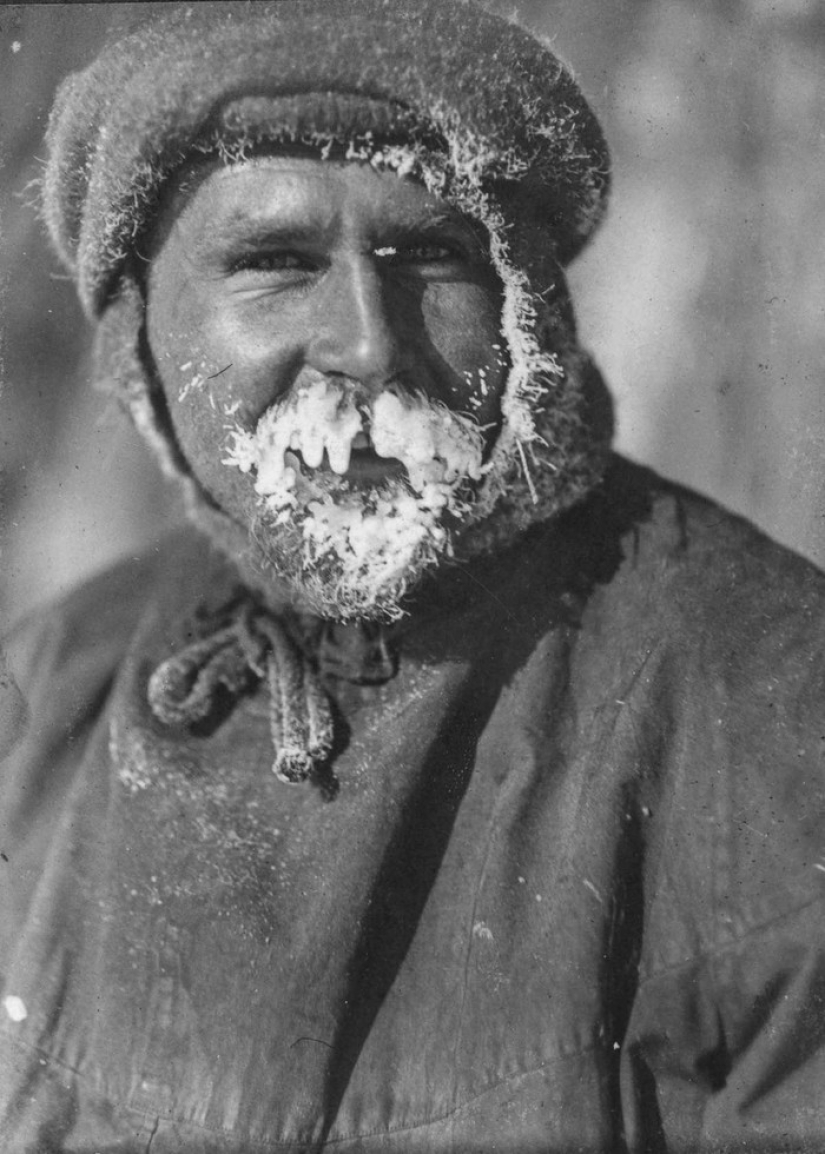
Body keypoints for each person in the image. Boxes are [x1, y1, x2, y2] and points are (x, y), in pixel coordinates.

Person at [1, 2, 824, 1150]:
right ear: (138, 341)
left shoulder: (769, 691)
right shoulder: (44, 690)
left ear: (533, 309)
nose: (369, 343)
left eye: (435, 254)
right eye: (274, 264)